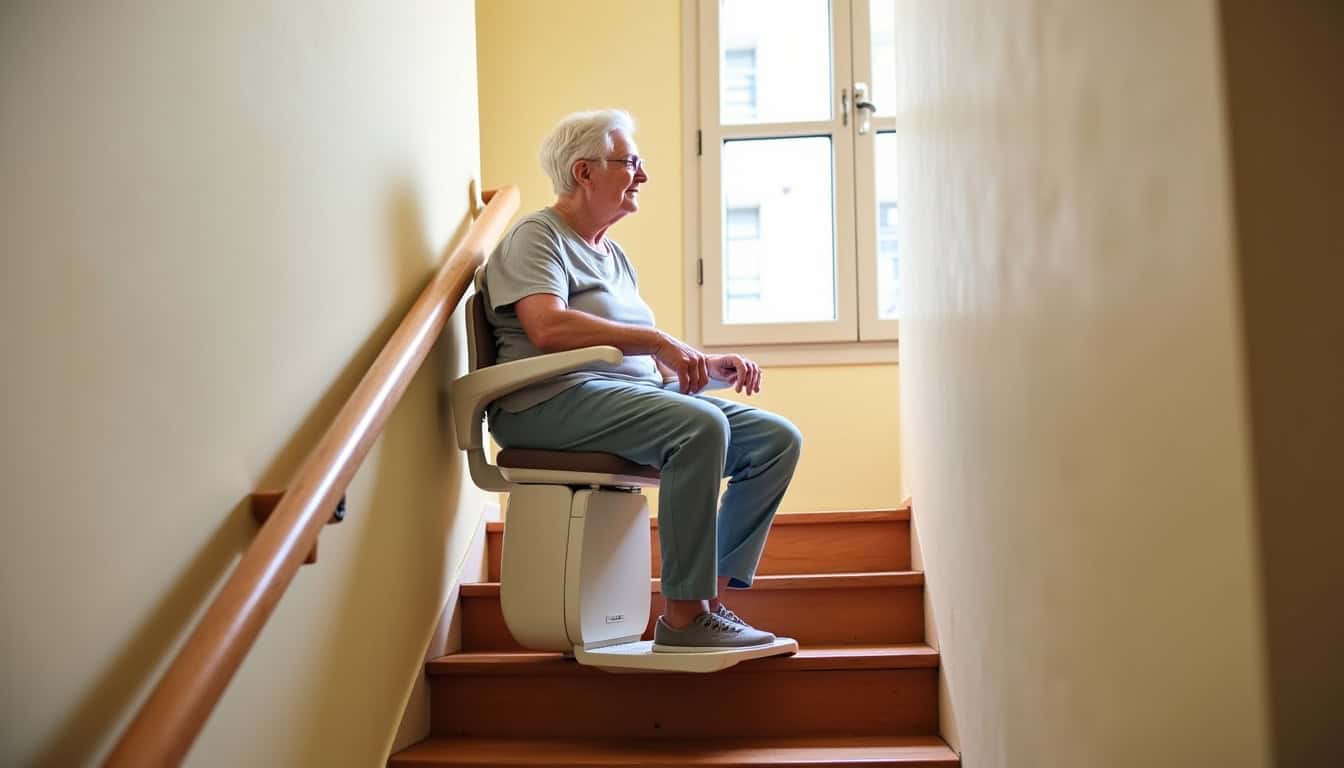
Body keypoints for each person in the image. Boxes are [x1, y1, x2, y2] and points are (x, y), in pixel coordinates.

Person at [483, 109, 802, 652]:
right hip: (547, 402)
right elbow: (546, 325)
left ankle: (706, 604)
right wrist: (658, 342)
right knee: (698, 427)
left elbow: (635, 361)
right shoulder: (537, 236)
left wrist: (703, 366)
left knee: (775, 442)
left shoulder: (615, 255)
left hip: (623, 396)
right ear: (583, 172)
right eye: (630, 162)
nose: (643, 175)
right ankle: (682, 618)